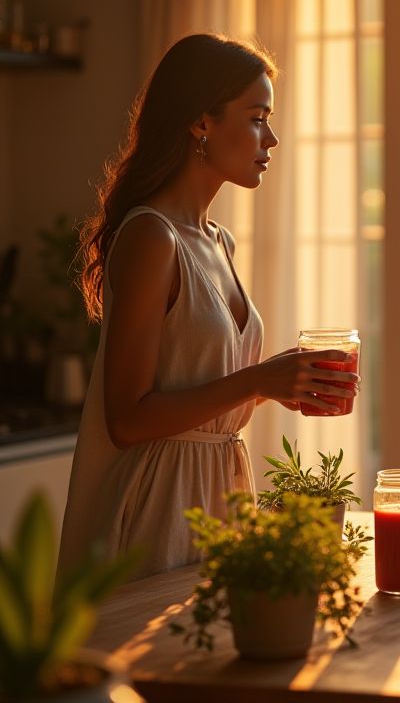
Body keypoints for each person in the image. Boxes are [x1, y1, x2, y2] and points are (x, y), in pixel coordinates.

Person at [58, 33, 358, 581]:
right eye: (256, 117)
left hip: (218, 491)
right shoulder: (152, 237)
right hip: (160, 502)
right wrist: (259, 381)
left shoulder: (218, 241)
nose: (272, 137)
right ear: (202, 123)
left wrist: (284, 381)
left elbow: (200, 389)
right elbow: (126, 419)